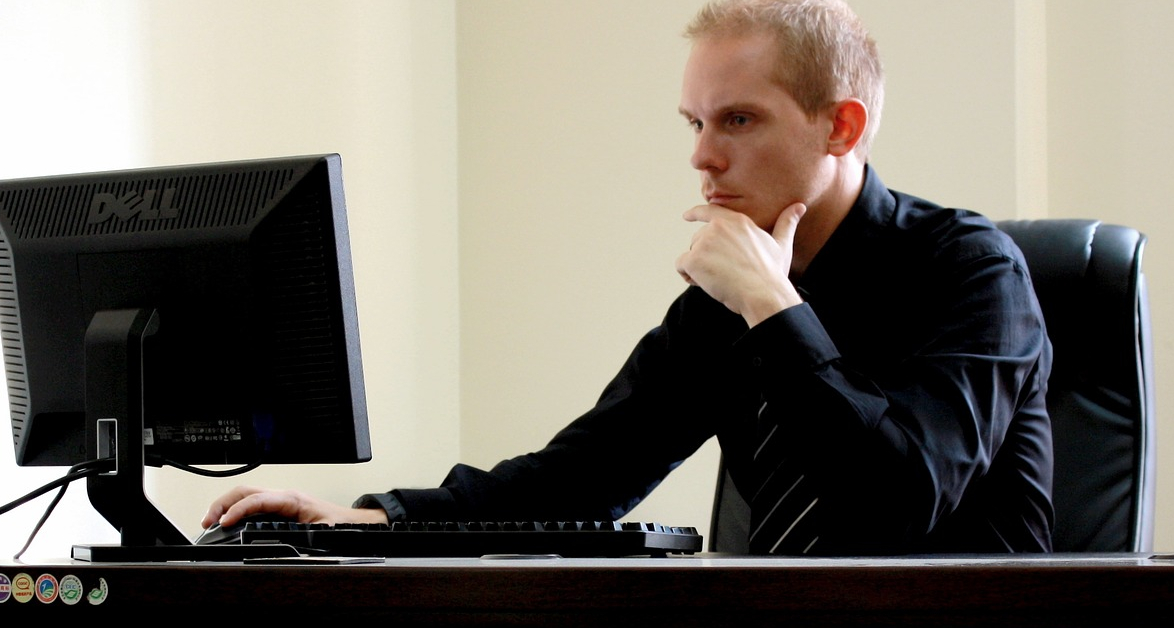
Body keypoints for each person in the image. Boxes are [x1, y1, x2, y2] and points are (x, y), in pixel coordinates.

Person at [203, 0, 1054, 555]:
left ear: (841, 126)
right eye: (694, 122)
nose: (701, 155)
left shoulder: (972, 273)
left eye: (738, 120)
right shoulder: (723, 305)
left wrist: (771, 306)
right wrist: (370, 520)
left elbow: (901, 499)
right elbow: (578, 482)